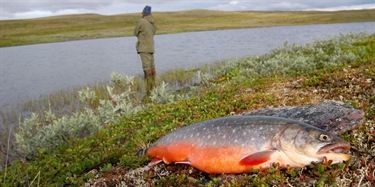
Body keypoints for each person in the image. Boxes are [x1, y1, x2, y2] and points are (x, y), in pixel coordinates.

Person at [134, 5, 157, 98]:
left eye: (142, 12)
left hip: (144, 47)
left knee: (146, 68)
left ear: (144, 13)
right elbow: (154, 33)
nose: (141, 13)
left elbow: (135, 33)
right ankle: (153, 85)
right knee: (152, 67)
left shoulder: (141, 21)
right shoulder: (153, 23)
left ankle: (148, 89)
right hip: (151, 47)